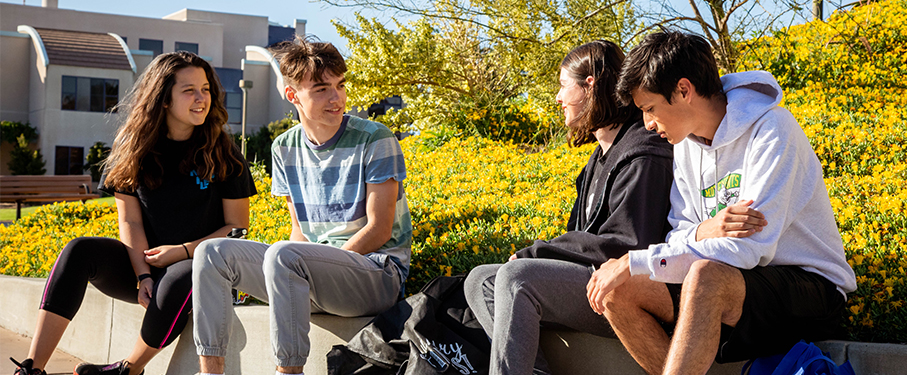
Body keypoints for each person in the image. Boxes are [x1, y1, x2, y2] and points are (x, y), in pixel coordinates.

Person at [586, 30, 857, 375]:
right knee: (618, 292)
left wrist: (637, 260)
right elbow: (679, 236)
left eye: (650, 108)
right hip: (734, 287)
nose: (648, 124)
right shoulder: (684, 146)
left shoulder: (773, 130)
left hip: (809, 290)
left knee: (704, 276)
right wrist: (705, 230)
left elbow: (749, 249)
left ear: (684, 90)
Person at [10, 52, 256, 375]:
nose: (201, 99)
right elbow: (130, 220)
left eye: (206, 89)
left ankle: (129, 369)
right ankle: (32, 367)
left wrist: (180, 252)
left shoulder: (223, 151)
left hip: (205, 270)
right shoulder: (133, 149)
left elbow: (237, 228)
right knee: (78, 251)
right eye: (189, 90)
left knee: (185, 273)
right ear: (163, 98)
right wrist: (142, 274)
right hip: (148, 264)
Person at [192, 35, 412, 375]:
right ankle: (211, 371)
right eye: (322, 89)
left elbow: (380, 228)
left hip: (376, 274)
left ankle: (289, 371)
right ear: (293, 95)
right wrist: (292, 276)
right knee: (212, 253)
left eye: (340, 85)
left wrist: (312, 267)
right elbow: (300, 231)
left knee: (284, 255)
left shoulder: (375, 138)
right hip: (313, 272)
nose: (337, 98)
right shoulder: (284, 147)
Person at [462, 40, 674, 375]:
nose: (559, 98)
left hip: (628, 291)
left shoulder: (644, 153)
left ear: (590, 85)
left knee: (518, 278)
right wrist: (543, 254)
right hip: (592, 281)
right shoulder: (598, 159)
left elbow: (628, 244)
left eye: (563, 87)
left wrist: (538, 253)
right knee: (479, 280)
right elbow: (581, 236)